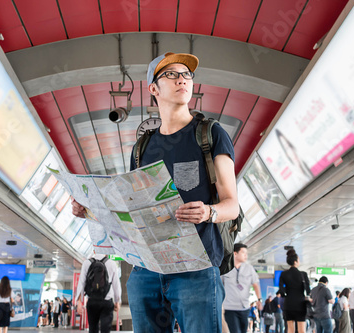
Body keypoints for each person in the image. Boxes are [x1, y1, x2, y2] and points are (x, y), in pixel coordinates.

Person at [71, 52, 239, 333]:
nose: (182, 80)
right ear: (153, 89)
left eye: (186, 74)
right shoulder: (142, 148)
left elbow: (231, 204)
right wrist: (89, 210)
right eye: (171, 74)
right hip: (147, 271)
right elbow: (131, 212)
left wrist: (209, 212)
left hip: (196, 270)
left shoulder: (210, 133)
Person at [75, 254, 122, 333]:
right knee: (105, 329)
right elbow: (116, 284)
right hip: (106, 301)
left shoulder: (87, 263)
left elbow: (81, 283)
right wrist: (117, 301)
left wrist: (79, 302)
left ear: (94, 250)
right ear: (106, 253)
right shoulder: (112, 263)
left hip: (92, 301)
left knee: (93, 328)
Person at [221, 243, 262, 333]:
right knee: (235, 331)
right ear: (235, 253)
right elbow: (220, 286)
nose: (245, 255)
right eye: (243, 252)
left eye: (246, 253)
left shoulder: (249, 268)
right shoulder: (225, 268)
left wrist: (259, 300)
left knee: (243, 330)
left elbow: (256, 284)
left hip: (245, 307)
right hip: (229, 308)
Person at [279, 249, 311, 333]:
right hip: (300, 304)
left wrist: (285, 296)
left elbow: (281, 290)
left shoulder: (283, 274)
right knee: (302, 330)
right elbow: (308, 291)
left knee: (290, 329)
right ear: (296, 262)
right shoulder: (303, 274)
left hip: (288, 303)